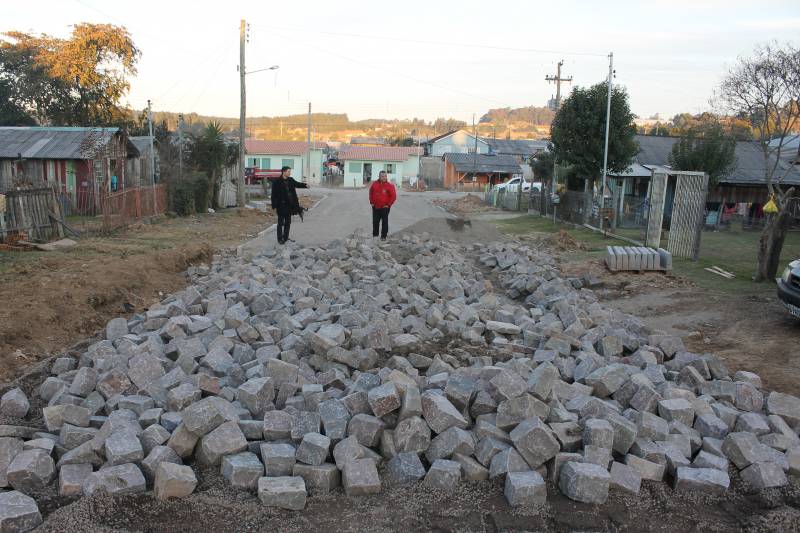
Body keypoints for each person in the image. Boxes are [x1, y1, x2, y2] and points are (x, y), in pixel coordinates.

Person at [270, 166, 309, 244]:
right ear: (284, 172)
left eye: (290, 171)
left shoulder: (291, 180)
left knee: (288, 222)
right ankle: (280, 239)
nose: (290, 173)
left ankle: (286, 238)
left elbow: (297, 184)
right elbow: (273, 195)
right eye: (288, 171)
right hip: (281, 206)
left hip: (290, 206)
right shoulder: (277, 181)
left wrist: (305, 185)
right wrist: (274, 205)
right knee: (280, 223)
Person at [369, 170, 396, 240]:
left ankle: (383, 236)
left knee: (384, 222)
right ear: (379, 176)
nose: (384, 177)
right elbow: (371, 192)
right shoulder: (374, 184)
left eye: (385, 176)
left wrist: (388, 204)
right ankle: (375, 235)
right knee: (375, 221)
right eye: (382, 176)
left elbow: (393, 196)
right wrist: (371, 202)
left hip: (385, 207)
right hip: (375, 207)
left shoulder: (390, 186)